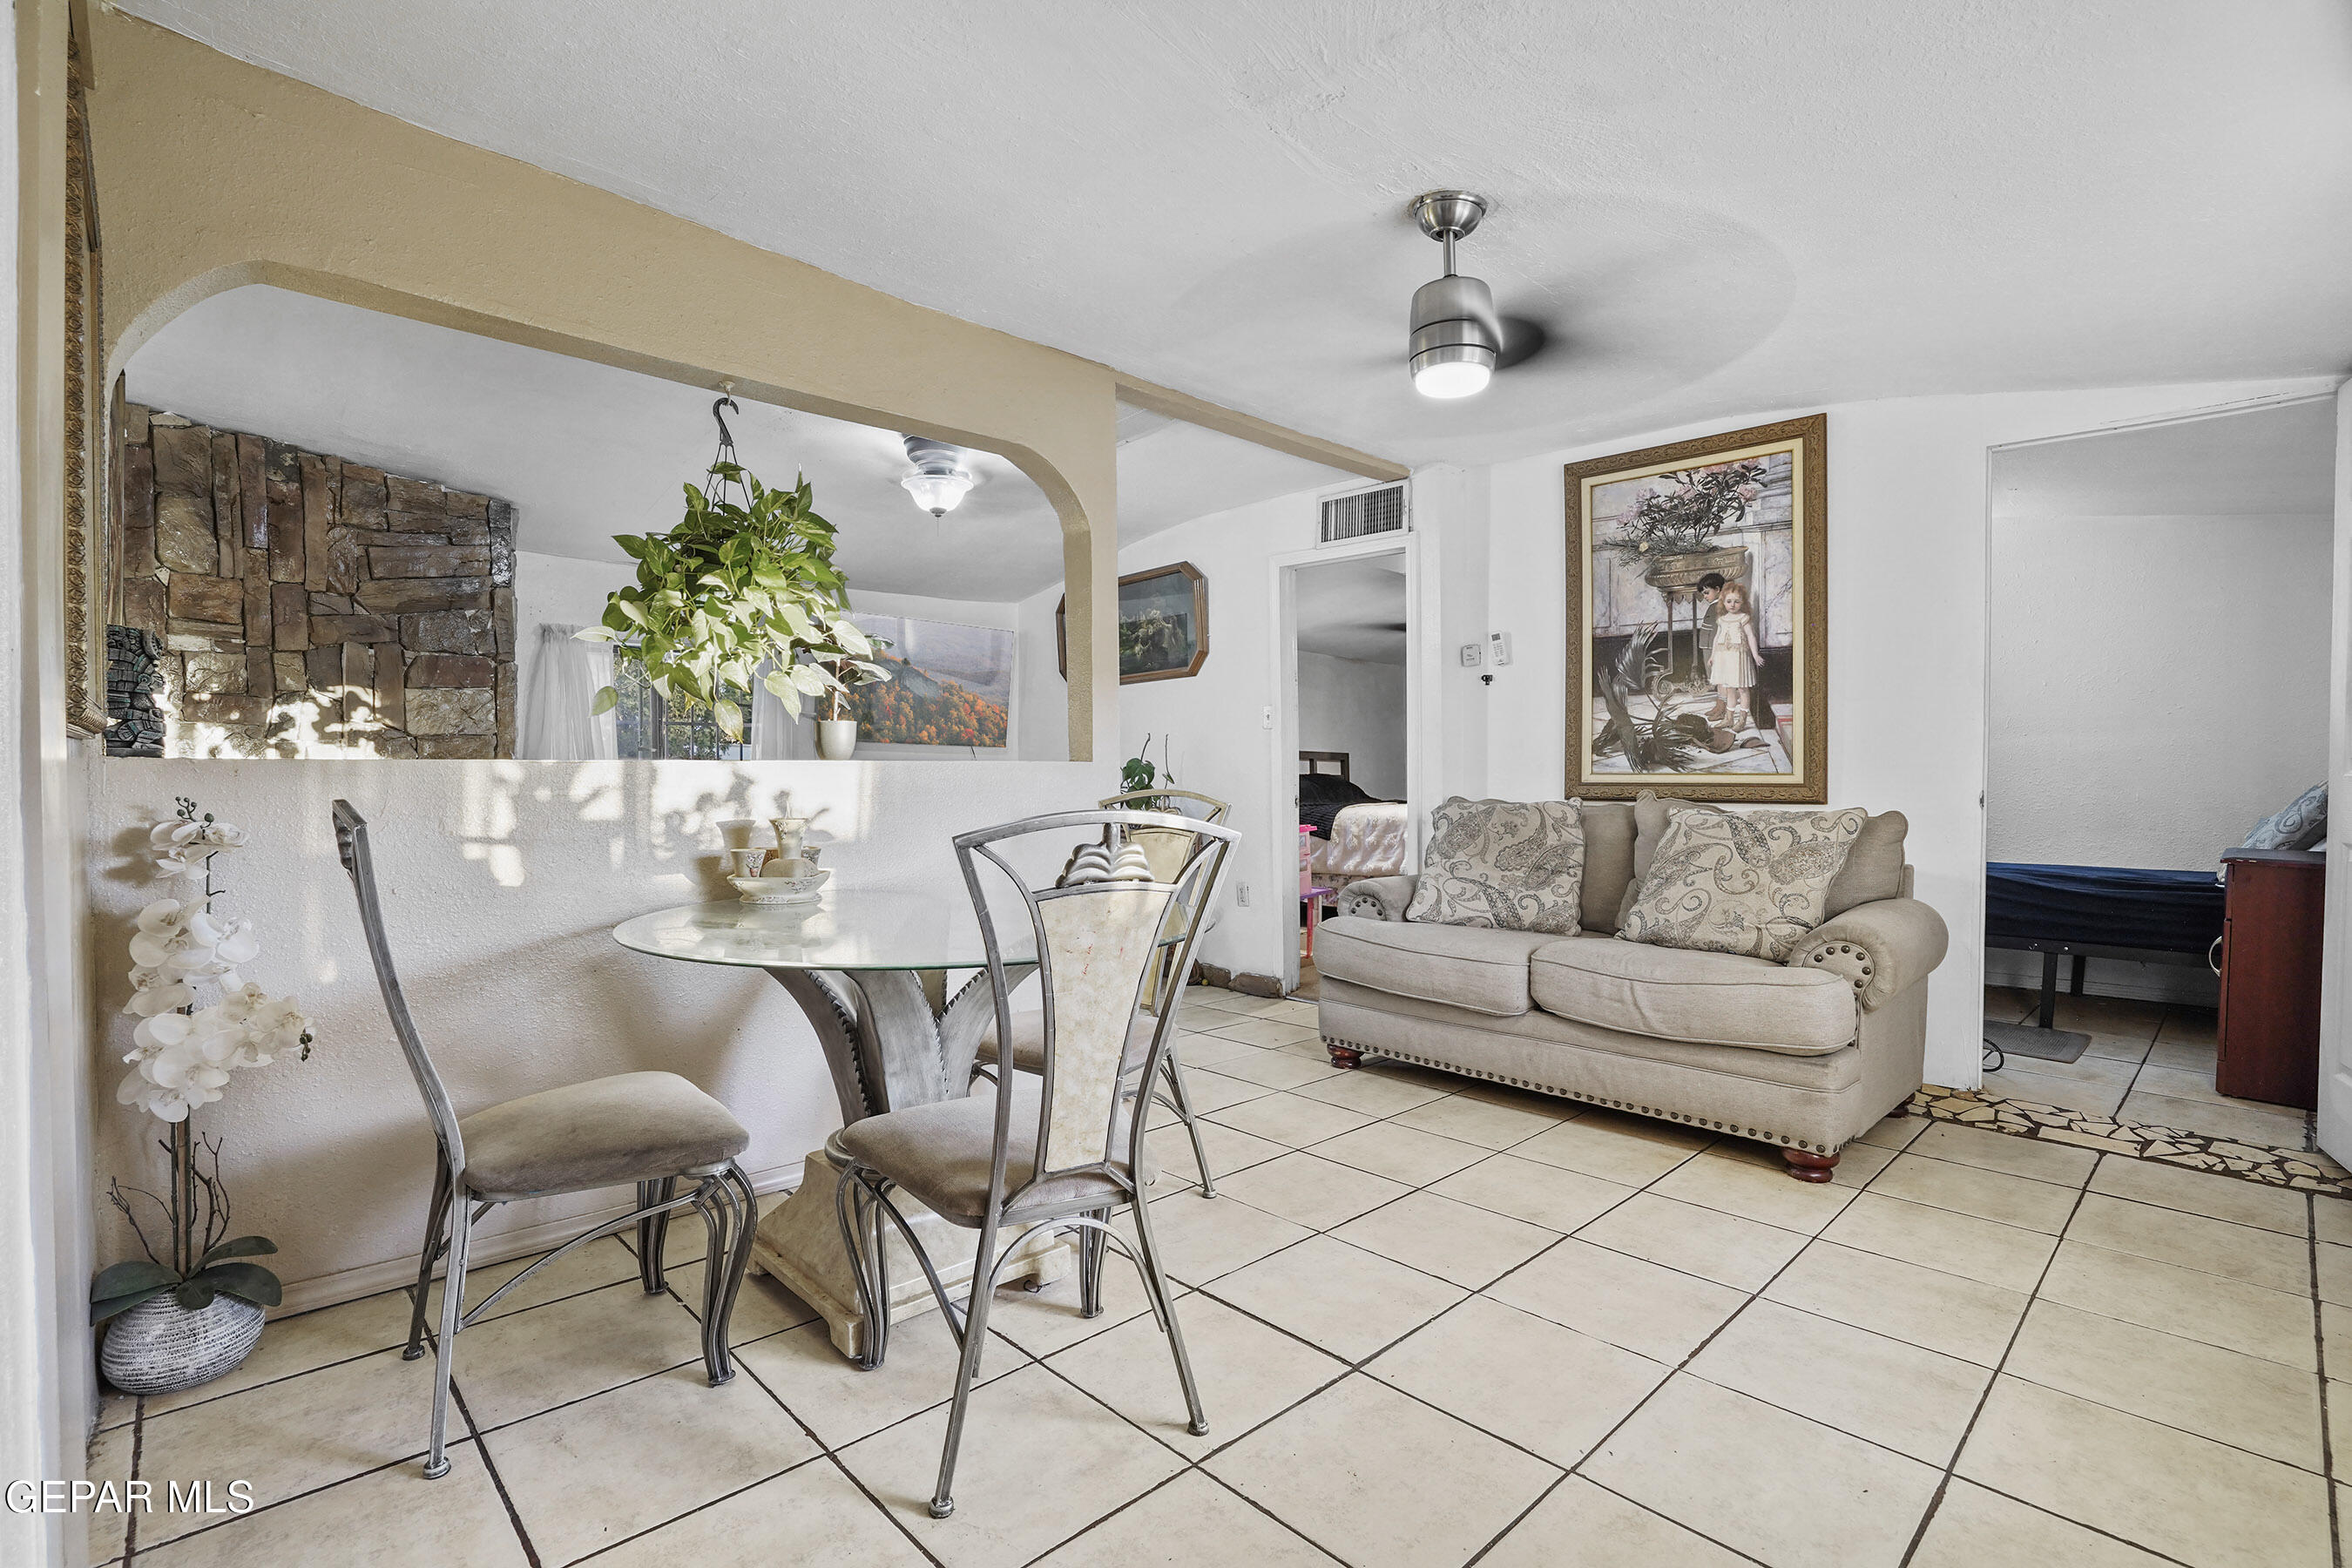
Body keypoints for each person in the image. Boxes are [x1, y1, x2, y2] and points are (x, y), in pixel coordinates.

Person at [1707, 580, 1763, 733]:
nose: (1732, 605)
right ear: (1723, 602)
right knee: (1730, 688)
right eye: (1729, 601)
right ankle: (1729, 718)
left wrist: (1755, 655)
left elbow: (1751, 636)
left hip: (1740, 658)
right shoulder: (1722, 619)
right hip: (1725, 658)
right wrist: (1713, 656)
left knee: (1743, 689)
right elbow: (1716, 638)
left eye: (1736, 602)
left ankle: (1742, 719)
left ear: (1742, 602)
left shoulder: (1743, 618)